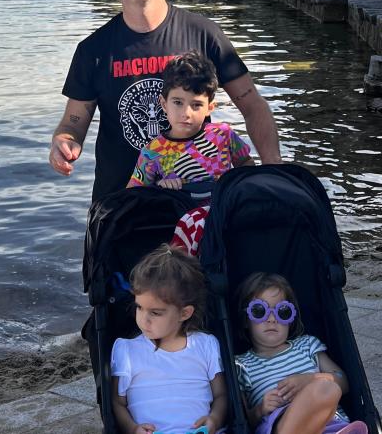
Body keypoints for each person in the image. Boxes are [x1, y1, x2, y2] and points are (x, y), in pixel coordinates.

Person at [50, 0, 281, 202]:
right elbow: (74, 122)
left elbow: (252, 105)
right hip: (121, 208)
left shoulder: (205, 35)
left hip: (200, 204)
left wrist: (274, 171)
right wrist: (64, 141)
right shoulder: (93, 50)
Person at [127, 52, 254, 254]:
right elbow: (132, 195)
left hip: (225, 224)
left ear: (210, 108)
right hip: (179, 237)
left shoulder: (224, 135)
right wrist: (159, 187)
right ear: (163, 103)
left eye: (196, 105)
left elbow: (247, 164)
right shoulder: (152, 152)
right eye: (177, 102)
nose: (186, 113)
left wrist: (234, 181)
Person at [111, 244, 227, 434]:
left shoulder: (205, 345)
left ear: (184, 313)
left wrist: (214, 419)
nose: (143, 319)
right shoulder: (128, 350)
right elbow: (117, 402)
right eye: (139, 307)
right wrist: (133, 429)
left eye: (155, 313)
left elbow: (221, 394)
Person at [235, 273, 367, 434]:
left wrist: (310, 380)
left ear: (291, 319)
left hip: (327, 424)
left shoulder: (307, 345)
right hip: (280, 424)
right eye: (259, 311)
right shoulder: (241, 364)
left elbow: (344, 382)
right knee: (325, 389)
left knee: (328, 389)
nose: (271, 319)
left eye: (282, 312)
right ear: (245, 320)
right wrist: (260, 409)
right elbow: (243, 420)